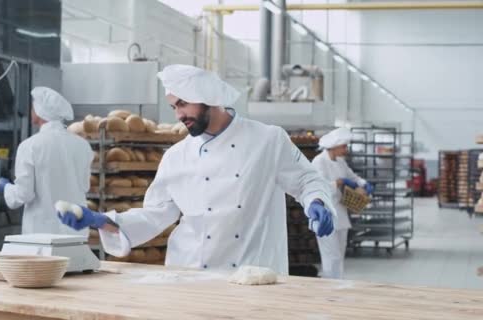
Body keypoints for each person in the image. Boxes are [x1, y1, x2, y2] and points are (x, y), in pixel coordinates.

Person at [58, 65, 336, 274]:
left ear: (207, 97)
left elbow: (306, 180)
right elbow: (154, 216)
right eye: (173, 106)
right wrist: (102, 221)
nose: (178, 115)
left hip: (252, 276)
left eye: (182, 104)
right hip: (189, 275)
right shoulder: (177, 156)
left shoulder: (268, 140)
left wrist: (317, 201)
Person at [0, 87, 93, 234]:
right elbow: (84, 186)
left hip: (42, 233)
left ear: (40, 112)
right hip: (75, 232)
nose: (31, 111)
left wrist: (5, 187)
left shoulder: (30, 146)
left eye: (33, 107)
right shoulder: (83, 145)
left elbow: (24, 194)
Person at [311, 127, 374, 279]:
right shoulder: (319, 162)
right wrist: (339, 182)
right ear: (334, 146)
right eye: (344, 146)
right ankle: (329, 286)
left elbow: (353, 177)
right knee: (330, 255)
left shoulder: (340, 162)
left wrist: (364, 184)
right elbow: (320, 188)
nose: (346, 149)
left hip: (341, 213)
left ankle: (337, 283)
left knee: (339, 254)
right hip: (325, 213)